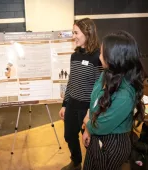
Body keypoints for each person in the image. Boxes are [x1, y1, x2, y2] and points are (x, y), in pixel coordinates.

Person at [82, 31, 145, 170]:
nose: (99, 57)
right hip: (97, 136)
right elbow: (94, 102)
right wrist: (88, 127)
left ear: (115, 58)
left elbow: (99, 126)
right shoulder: (107, 73)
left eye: (102, 53)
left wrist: (87, 123)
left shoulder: (125, 95)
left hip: (112, 144)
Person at [58, 18, 101, 170]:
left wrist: (91, 112)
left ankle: (91, 166)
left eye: (76, 32)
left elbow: (100, 88)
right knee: (69, 136)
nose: (73, 36)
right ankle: (76, 162)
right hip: (72, 105)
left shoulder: (98, 57)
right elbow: (71, 81)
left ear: (87, 33)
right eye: (73, 32)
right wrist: (64, 104)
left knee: (90, 142)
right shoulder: (74, 56)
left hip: (87, 109)